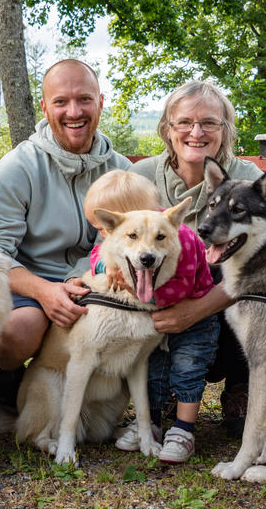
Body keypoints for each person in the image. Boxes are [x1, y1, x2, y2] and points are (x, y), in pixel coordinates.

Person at [0, 59, 130, 406]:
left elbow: (121, 242)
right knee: (21, 329)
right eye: (61, 102)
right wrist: (45, 291)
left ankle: (145, 393)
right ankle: (9, 376)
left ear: (101, 102)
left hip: (94, 279)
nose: (73, 111)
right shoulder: (18, 167)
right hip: (29, 283)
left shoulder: (121, 170)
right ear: (44, 108)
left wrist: (81, 281)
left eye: (84, 99)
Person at [129, 79, 262, 437]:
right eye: (185, 122)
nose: (196, 132)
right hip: (160, 308)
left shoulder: (248, 179)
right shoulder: (141, 178)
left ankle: (241, 386)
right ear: (167, 129)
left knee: (232, 273)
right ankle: (167, 389)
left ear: (225, 130)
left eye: (209, 123)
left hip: (228, 307)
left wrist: (197, 309)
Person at [83, 170, 214, 463]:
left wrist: (145, 296)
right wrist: (108, 268)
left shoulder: (182, 236)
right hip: (158, 315)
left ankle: (184, 429)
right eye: (103, 229)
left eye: (106, 228)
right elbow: (97, 254)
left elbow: (184, 283)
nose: (104, 235)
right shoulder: (127, 234)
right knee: (154, 368)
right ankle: (151, 424)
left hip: (196, 315)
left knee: (187, 370)